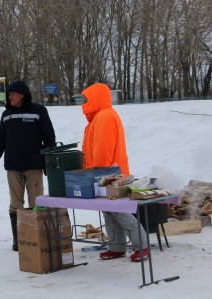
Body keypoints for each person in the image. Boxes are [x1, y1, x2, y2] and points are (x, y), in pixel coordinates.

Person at [81, 82, 148, 262]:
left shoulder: (105, 117)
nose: (83, 102)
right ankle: (116, 247)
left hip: (110, 176)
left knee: (120, 212)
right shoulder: (100, 117)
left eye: (86, 98)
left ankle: (142, 246)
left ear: (95, 99)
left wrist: (97, 175)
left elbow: (103, 150)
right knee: (108, 212)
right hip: (106, 175)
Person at [0, 80, 56, 251]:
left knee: (36, 203)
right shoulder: (6, 114)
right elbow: (0, 139)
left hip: (33, 165)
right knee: (15, 204)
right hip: (13, 166)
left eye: (12, 93)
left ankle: (37, 237)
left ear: (22, 95)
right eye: (9, 94)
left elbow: (49, 137)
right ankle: (19, 239)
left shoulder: (39, 111)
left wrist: (48, 160)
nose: (9, 97)